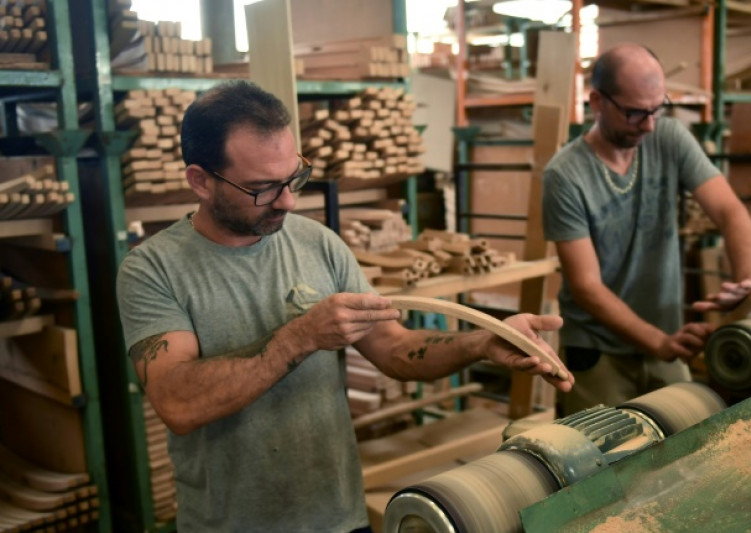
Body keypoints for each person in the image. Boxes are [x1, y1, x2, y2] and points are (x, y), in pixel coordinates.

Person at [115, 80, 573, 533]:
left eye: (294, 177)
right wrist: (301, 335)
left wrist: (482, 343)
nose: (288, 200)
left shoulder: (318, 243)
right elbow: (178, 402)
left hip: (338, 516)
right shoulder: (153, 269)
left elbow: (393, 349)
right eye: (263, 188)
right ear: (200, 181)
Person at [542, 44, 751, 416]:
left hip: (665, 340)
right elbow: (586, 287)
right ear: (597, 102)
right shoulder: (565, 175)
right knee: (599, 451)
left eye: (657, 109)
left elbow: (730, 212)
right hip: (599, 350)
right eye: (634, 113)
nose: (648, 125)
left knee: (684, 442)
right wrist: (658, 342)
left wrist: (748, 285)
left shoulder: (669, 138)